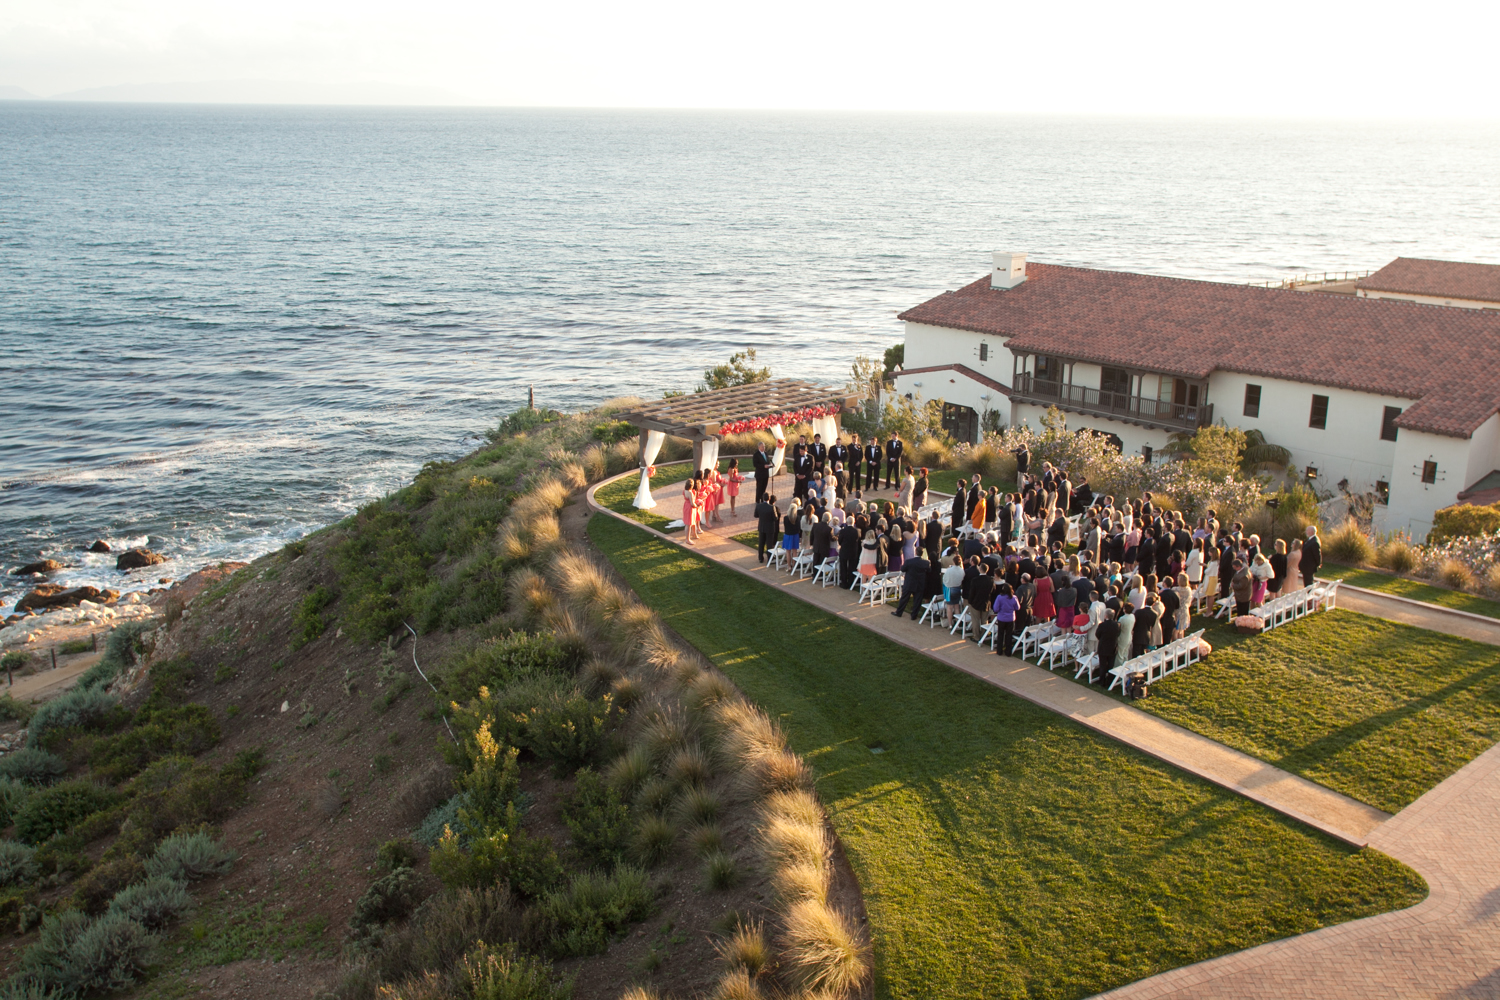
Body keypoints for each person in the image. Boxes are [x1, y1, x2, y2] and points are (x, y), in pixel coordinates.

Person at [893, 550, 931, 619]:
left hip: (909, 583)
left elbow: (902, 569)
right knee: (917, 600)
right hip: (919, 584)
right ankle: (914, 615)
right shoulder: (925, 563)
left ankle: (899, 612)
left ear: (915, 552)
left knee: (904, 598)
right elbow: (928, 571)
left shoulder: (909, 561)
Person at [992, 583, 1019, 654]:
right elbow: (1017, 607)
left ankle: (999, 651)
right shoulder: (1014, 597)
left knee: (1000, 634)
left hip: (1001, 618)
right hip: (1011, 618)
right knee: (1009, 635)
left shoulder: (999, 597)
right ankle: (1008, 651)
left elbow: (995, 608)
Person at [1094, 610, 1120, 684]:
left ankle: (1102, 680)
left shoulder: (1102, 625)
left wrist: (1102, 639)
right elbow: (1118, 633)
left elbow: (1097, 634)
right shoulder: (1117, 624)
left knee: (1102, 664)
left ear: (1105, 616)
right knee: (1111, 664)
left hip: (1103, 647)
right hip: (1112, 646)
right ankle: (1110, 680)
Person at [753, 493, 780, 564]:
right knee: (769, 544)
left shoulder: (759, 506)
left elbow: (755, 515)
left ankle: (760, 558)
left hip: (761, 526)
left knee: (761, 543)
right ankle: (769, 558)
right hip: (770, 528)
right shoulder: (771, 507)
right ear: (769, 499)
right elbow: (776, 518)